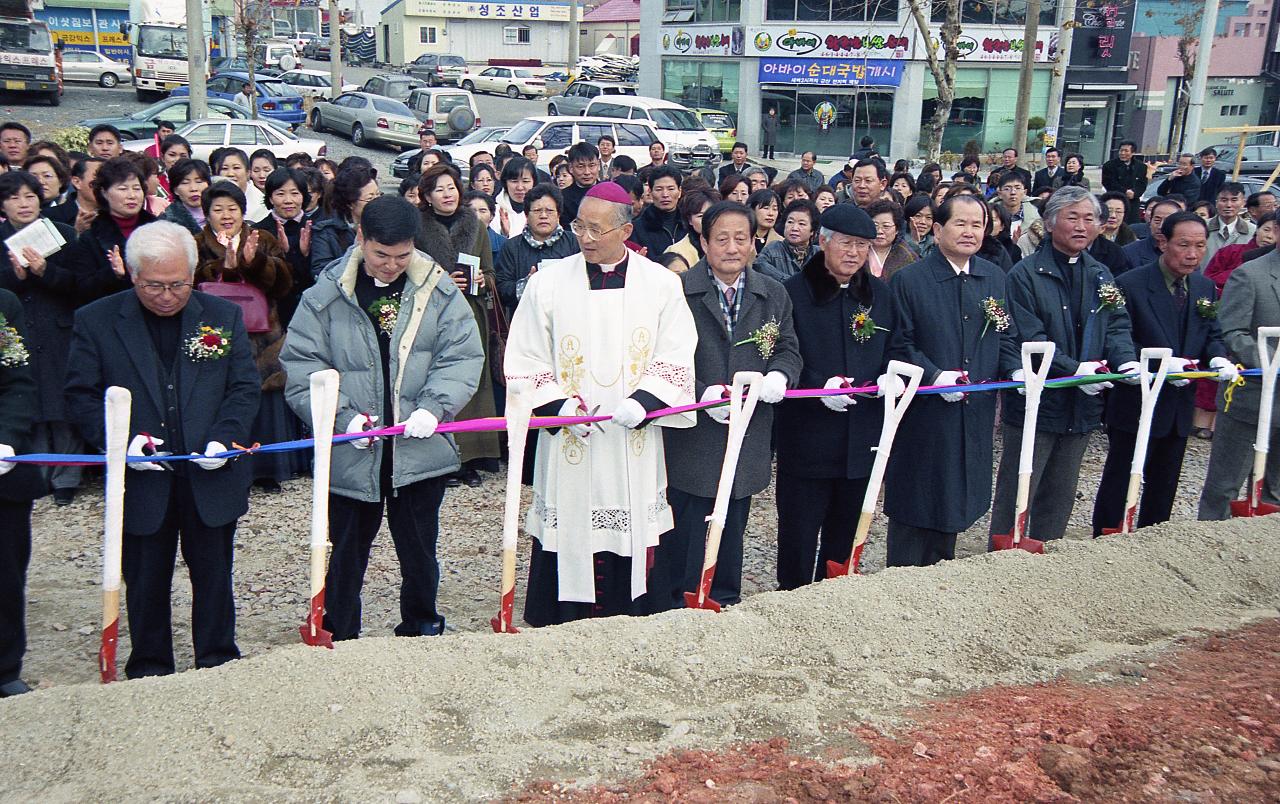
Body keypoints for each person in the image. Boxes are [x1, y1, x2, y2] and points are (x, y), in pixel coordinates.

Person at [64, 220, 260, 677]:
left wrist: (225, 438)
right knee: (146, 579)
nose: (168, 296)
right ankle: (150, 667)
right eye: (155, 286)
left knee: (214, 575)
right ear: (132, 275)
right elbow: (80, 395)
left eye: (179, 285)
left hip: (208, 475)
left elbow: (243, 388)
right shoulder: (96, 321)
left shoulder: (221, 315)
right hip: (141, 481)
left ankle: (217, 659)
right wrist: (123, 442)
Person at [282, 195, 482, 640]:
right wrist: (342, 419)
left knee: (419, 548)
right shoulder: (326, 295)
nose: (391, 266)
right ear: (360, 239)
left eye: (402, 255)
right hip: (354, 451)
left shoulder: (439, 291)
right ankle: (339, 626)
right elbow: (301, 366)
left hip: (418, 446)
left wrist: (435, 405)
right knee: (347, 548)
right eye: (381, 255)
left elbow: (462, 356)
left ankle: (420, 621)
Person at [503, 181, 697, 626]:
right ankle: (562, 617)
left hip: (633, 437)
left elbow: (676, 350)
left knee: (632, 521)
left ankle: (633, 613)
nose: (584, 238)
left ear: (625, 230)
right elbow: (526, 352)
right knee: (568, 521)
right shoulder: (548, 281)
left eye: (596, 229)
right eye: (579, 226)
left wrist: (646, 402)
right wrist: (558, 408)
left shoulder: (662, 284)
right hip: (571, 436)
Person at [655, 201, 801, 611]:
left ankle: (724, 598)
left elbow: (789, 348)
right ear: (703, 242)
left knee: (733, 521)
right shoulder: (680, 292)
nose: (732, 247)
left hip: (749, 432)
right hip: (693, 434)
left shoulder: (772, 292)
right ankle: (677, 601)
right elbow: (658, 359)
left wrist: (780, 377)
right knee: (685, 523)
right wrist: (699, 392)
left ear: (755, 242)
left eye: (742, 238)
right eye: (721, 238)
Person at [989, 187, 1138, 544]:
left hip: (1084, 405)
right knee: (1020, 483)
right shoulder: (1024, 275)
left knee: (1062, 489)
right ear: (1051, 223)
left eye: (1090, 218)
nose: (1082, 226)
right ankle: (1002, 556)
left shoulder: (1101, 273)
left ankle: (1047, 552)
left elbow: (1117, 324)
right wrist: (1074, 370)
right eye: (1073, 217)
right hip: (1038, 402)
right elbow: (1030, 337)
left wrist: (1126, 362)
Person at [884, 195, 1019, 566]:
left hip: (973, 414)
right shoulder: (910, 280)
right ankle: (901, 577)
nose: (970, 232)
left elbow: (1005, 336)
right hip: (924, 415)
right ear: (939, 229)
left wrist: (1016, 370)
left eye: (977, 224)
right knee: (917, 500)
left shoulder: (993, 277)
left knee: (955, 501)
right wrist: (934, 375)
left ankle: (941, 574)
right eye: (961, 223)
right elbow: (898, 343)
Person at [774, 204, 897, 589]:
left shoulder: (879, 294)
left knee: (844, 539)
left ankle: (836, 601)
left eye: (862, 245)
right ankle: (790, 604)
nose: (854, 253)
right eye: (846, 243)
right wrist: (815, 388)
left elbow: (897, 345)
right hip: (807, 440)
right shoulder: (791, 293)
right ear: (823, 241)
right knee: (797, 536)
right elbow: (782, 354)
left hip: (860, 440)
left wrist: (893, 374)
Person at [1093, 211, 1233, 535]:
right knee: (1121, 478)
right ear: (1162, 242)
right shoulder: (1131, 284)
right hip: (1137, 403)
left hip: (1179, 405)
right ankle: (1105, 541)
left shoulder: (1204, 287)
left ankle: (1154, 540)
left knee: (1165, 483)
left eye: (1199, 246)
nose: (1192, 254)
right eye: (1183, 245)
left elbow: (1212, 333)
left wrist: (1216, 359)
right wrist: (1159, 365)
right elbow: (1119, 339)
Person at [194, 183, 299, 492]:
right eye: (218, 209)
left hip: (265, 332)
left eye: (232, 209)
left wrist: (254, 263)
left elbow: (284, 284)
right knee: (226, 395)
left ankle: (267, 469)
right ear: (207, 214)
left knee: (265, 396)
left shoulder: (261, 239)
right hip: (217, 333)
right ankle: (227, 459)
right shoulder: (198, 242)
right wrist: (222, 268)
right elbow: (192, 282)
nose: (226, 216)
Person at [415, 164, 500, 487]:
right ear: (427, 196)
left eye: (451, 187)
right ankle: (441, 456)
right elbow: (409, 272)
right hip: (432, 317)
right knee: (438, 382)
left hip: (471, 313)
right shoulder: (418, 228)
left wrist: (482, 279)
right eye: (439, 189)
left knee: (472, 385)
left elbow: (491, 273)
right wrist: (439, 280)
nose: (447, 194)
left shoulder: (475, 226)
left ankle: (472, 456)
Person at [0, 172, 82, 505]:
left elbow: (79, 283)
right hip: (17, 332)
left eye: (30, 196)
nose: (24, 203)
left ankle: (67, 477)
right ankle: (37, 473)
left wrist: (45, 273)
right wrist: (14, 277)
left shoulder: (61, 234)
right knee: (28, 404)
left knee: (63, 406)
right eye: (15, 197)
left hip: (57, 327)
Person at [1198, 229, 1280, 519]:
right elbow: (1233, 331)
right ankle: (1211, 546)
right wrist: (1272, 362)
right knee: (1225, 485)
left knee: (1276, 489)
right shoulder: (1250, 275)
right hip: (1251, 397)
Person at [0, 285, 42, 697]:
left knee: (6, 572)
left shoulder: (3, 305)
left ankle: (4, 666)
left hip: (1, 469)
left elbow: (18, 380)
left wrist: (6, 438)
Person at [71, 156, 159, 302]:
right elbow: (81, 288)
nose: (132, 195)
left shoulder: (158, 229)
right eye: (123, 189)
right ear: (104, 192)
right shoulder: (91, 235)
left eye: (136, 189)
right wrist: (112, 274)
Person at [494, 183, 580, 312]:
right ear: (527, 215)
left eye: (550, 211)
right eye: (537, 210)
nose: (543, 216)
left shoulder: (573, 242)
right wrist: (526, 286)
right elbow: (501, 288)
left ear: (558, 215)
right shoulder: (511, 247)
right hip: (526, 318)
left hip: (567, 315)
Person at [253, 167, 315, 324]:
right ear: (271, 198)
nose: (288, 200)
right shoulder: (259, 232)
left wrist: (305, 254)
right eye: (280, 194)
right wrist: (283, 255)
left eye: (295, 193)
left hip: (311, 310)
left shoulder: (317, 227)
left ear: (303, 196)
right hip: (274, 313)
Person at [310, 163, 378, 276]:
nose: (377, 202)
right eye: (370, 198)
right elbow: (321, 273)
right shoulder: (326, 232)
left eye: (378, 195)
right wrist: (355, 252)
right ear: (350, 203)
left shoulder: (387, 224)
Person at [755, 198, 818, 283]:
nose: (794, 228)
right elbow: (759, 266)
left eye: (801, 224)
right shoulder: (773, 249)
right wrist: (793, 283)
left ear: (812, 231)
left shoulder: (819, 254)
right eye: (790, 222)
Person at [632, 166, 687, 256]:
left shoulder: (689, 223)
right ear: (650, 192)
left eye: (670, 189)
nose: (665, 194)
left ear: (680, 191)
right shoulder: (637, 228)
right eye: (659, 189)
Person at [663, 187, 718, 273]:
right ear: (689, 220)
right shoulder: (676, 251)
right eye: (700, 216)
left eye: (712, 215)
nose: (707, 220)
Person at [1123, 197, 1183, 270]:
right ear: (1150, 222)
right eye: (1157, 221)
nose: (1161, 226)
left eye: (1167, 221)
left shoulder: (1187, 252)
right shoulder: (1129, 252)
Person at [46, 156, 102, 233]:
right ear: (77, 182)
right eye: (97, 179)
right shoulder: (50, 216)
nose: (103, 185)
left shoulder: (118, 215)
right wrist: (75, 231)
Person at [1205, 182, 1255, 267]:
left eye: (1234, 200)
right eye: (1224, 200)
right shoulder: (1202, 227)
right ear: (1216, 203)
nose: (1228, 205)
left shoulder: (1253, 231)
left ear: (1243, 203)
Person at [864, 199, 916, 281]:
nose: (879, 231)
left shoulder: (907, 255)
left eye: (886, 226)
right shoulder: (859, 250)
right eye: (875, 225)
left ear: (897, 229)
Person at [1101, 141, 1148, 224]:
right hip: (1115, 200)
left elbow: (1142, 184)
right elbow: (1108, 182)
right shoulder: (1109, 165)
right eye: (1121, 150)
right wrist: (1125, 192)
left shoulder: (1141, 167)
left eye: (1126, 151)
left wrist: (1135, 193)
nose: (1122, 153)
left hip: (1133, 203)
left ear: (1133, 153)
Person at [160, 159, 211, 236]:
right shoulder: (166, 222)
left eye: (199, 181)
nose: (193, 188)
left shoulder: (222, 214)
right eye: (185, 183)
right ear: (175, 190)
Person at [215, 149, 267, 221]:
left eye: (236, 168)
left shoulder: (261, 204)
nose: (230, 174)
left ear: (248, 173)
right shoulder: (212, 197)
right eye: (225, 168)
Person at [492, 157, 537, 239]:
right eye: (514, 181)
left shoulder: (542, 212)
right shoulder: (494, 213)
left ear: (534, 182)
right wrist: (504, 235)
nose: (520, 187)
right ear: (505, 182)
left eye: (525, 181)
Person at [558, 142, 599, 229]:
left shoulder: (609, 192)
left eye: (592, 165)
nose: (587, 172)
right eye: (581, 167)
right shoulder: (562, 197)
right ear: (571, 168)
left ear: (598, 165)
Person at [994, 171, 1040, 244]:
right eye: (1007, 189)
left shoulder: (1036, 217)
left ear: (1024, 192)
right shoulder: (990, 216)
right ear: (1000, 194)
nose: (1013, 192)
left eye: (1017, 188)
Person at [747, 189, 781, 254]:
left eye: (775, 209)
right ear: (752, 209)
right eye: (766, 208)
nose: (771, 213)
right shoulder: (741, 238)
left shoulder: (781, 242)